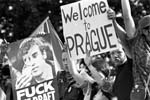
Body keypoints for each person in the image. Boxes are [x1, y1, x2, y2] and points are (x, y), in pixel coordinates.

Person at [109, 0, 150, 99]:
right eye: (147, 28)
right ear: (142, 31)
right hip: (142, 94)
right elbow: (127, 17)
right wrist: (113, 21)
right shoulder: (138, 46)